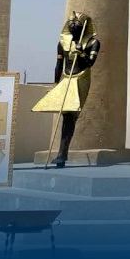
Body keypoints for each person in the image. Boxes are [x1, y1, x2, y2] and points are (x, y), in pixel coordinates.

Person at [31, 11, 101, 168]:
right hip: (65, 78)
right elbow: (58, 65)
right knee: (66, 116)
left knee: (71, 116)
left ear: (84, 27)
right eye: (71, 23)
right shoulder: (62, 44)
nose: (73, 25)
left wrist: (81, 53)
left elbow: (90, 63)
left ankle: (62, 153)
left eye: (77, 24)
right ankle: (61, 153)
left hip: (81, 78)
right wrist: (55, 84)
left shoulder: (93, 43)